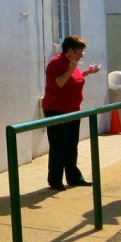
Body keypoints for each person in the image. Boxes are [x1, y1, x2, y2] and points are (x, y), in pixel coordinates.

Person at [42, 35, 102, 191]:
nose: (82, 55)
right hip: (57, 111)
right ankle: (55, 180)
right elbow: (60, 83)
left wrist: (87, 73)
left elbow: (73, 80)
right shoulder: (56, 63)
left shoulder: (72, 63)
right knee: (58, 146)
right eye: (79, 52)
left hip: (73, 111)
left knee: (71, 146)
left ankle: (74, 177)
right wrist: (69, 69)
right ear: (69, 51)